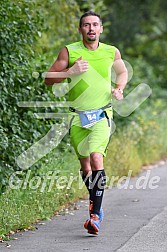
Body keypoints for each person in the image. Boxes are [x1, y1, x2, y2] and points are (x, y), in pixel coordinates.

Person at [45, 11, 128, 235]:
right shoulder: (69, 51)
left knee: (96, 156)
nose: (91, 28)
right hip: (77, 116)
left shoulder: (111, 51)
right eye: (86, 25)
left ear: (101, 28)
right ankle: (96, 205)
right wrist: (70, 71)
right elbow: (48, 79)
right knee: (86, 167)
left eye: (95, 25)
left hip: (102, 113)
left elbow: (122, 72)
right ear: (80, 29)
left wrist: (119, 88)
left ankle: (95, 215)